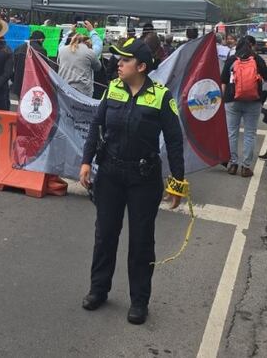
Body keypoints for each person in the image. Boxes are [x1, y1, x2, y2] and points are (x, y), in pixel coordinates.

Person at [79, 38, 185, 325]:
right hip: (111, 174)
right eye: (118, 60)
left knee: (140, 242)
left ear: (141, 66)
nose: (118, 64)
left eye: (124, 61)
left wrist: (178, 181)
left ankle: (140, 301)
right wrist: (87, 161)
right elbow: (95, 127)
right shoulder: (113, 89)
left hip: (144, 178)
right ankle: (98, 289)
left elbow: (175, 141)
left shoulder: (162, 96)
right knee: (105, 235)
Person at [221, 36, 267, 177]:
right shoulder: (256, 59)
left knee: (232, 132)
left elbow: (224, 81)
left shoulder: (231, 60)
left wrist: (223, 99)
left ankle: (233, 164)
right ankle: (246, 167)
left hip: (232, 101)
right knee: (250, 134)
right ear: (251, 47)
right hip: (253, 101)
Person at [57, 22, 103, 96]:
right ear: (86, 41)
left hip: (64, 88)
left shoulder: (61, 50)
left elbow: (62, 42)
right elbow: (98, 45)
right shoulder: (90, 52)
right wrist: (91, 30)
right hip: (83, 91)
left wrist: (70, 31)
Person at [12, 30, 52, 97]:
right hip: (33, 83)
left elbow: (13, 66)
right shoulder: (41, 50)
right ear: (41, 39)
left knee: (21, 102)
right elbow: (45, 68)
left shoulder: (18, 48)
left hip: (19, 82)